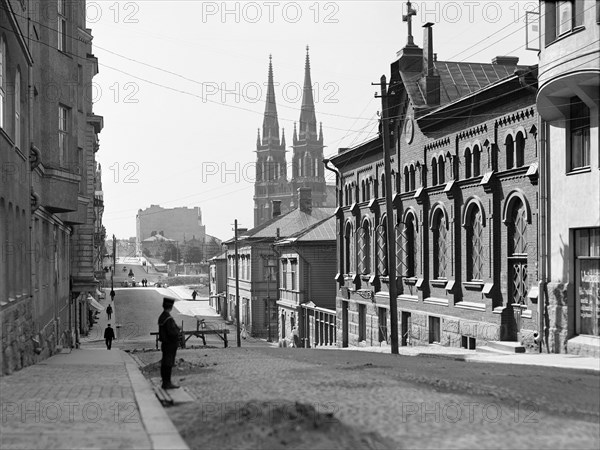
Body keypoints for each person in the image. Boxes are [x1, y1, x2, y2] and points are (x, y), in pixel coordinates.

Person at [158, 297, 181, 390]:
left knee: (165, 363)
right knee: (168, 363)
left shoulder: (162, 316)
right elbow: (172, 332)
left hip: (165, 343)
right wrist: (177, 329)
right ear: (171, 307)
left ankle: (165, 382)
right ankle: (167, 383)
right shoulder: (168, 318)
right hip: (170, 344)